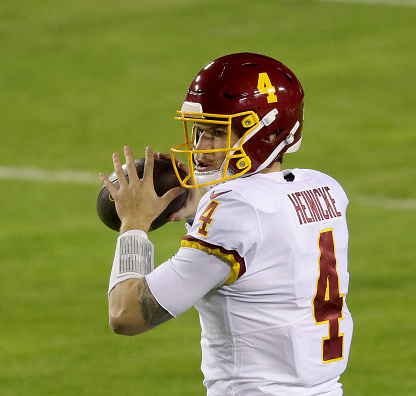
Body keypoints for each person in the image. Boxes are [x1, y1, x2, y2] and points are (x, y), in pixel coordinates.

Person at [99, 52, 353, 395]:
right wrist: (198, 209)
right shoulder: (324, 189)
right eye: (200, 131)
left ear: (266, 134)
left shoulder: (234, 210)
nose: (201, 150)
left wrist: (134, 224)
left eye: (217, 134)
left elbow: (125, 315)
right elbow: (259, 252)